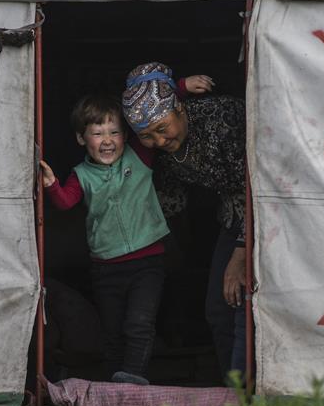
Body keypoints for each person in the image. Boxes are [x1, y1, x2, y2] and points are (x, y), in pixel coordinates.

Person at [122, 62, 248, 382]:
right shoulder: (164, 151)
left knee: (245, 308)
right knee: (218, 311)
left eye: (163, 129)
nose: (159, 141)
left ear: (180, 108)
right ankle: (230, 394)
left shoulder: (223, 119)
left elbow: (257, 184)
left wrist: (242, 251)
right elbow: (170, 202)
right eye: (147, 136)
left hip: (266, 215)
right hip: (231, 218)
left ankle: (252, 397)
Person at [39, 93, 169, 385]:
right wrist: (51, 184)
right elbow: (65, 202)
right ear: (81, 139)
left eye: (115, 132)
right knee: (112, 330)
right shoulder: (81, 175)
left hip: (148, 262)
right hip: (106, 267)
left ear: (127, 136)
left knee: (139, 324)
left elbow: (153, 112)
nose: (107, 140)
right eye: (97, 133)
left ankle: (133, 380)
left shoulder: (140, 156)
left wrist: (183, 86)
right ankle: (112, 385)